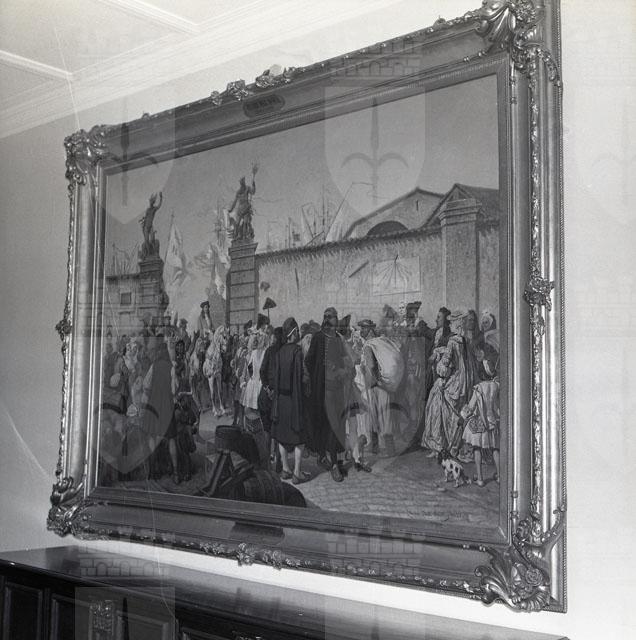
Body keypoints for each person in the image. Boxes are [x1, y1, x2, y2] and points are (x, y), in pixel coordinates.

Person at [421, 311, 479, 457]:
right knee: (457, 414)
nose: (450, 324)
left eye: (452, 322)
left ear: (457, 324)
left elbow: (445, 366)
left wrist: (438, 363)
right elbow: (463, 362)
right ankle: (454, 446)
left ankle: (438, 445)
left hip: (454, 384)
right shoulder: (466, 340)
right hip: (465, 384)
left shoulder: (453, 341)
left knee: (435, 400)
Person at [305, 307, 352, 481]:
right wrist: (316, 379)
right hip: (322, 391)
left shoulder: (338, 339)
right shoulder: (318, 338)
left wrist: (341, 370)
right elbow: (308, 361)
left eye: (333, 318)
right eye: (331, 318)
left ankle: (327, 459)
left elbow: (346, 360)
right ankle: (332, 464)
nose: (333, 321)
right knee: (327, 425)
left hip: (336, 390)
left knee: (334, 426)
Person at [271, 317, 310, 484]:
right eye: (297, 331)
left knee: (282, 436)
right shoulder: (297, 352)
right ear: (293, 333)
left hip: (281, 400)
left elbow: (275, 379)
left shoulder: (280, 352)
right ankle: (297, 473)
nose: (299, 334)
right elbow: (300, 379)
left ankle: (286, 469)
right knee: (299, 437)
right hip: (295, 400)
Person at [461, 355, 500, 486]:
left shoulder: (478, 388)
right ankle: (500, 477)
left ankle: (480, 479)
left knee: (477, 449)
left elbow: (471, 407)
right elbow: (496, 407)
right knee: (495, 449)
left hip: (480, 424)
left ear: (481, 373)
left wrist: (462, 416)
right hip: (492, 422)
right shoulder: (495, 386)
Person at [227, 164, 257, 241]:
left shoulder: (247, 188)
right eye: (241, 182)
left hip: (246, 208)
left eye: (243, 182)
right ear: (240, 183)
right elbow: (235, 201)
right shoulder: (238, 192)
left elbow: (253, 192)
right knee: (237, 224)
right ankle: (236, 237)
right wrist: (231, 209)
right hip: (240, 210)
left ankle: (244, 237)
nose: (243, 183)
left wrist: (253, 184)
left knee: (246, 223)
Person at [139, 192, 163, 257]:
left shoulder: (154, 209)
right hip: (146, 227)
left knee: (152, 240)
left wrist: (161, 198)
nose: (151, 202)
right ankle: (148, 254)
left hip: (150, 226)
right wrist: (142, 221)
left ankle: (153, 252)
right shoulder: (148, 210)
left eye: (152, 201)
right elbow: (145, 217)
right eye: (150, 201)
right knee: (146, 240)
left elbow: (159, 206)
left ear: (153, 202)